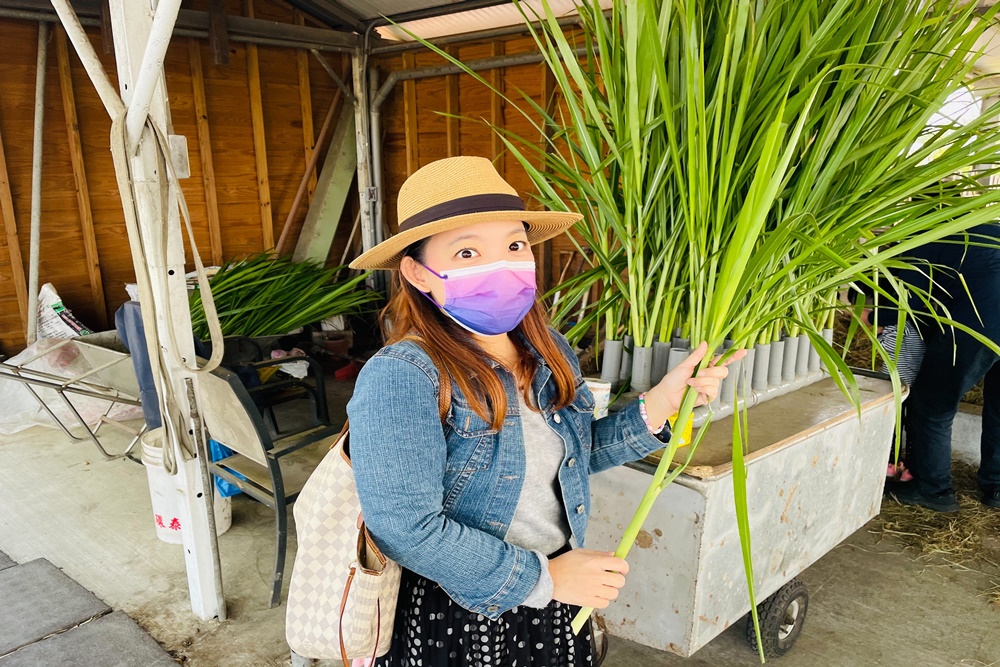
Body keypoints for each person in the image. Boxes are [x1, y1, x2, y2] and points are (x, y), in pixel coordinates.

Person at [345, 156, 741, 666]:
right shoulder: (403, 375)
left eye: (514, 245)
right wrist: (544, 578)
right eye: (467, 251)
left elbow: (573, 456)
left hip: (554, 599)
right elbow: (404, 528)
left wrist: (658, 404)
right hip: (467, 611)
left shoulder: (546, 349)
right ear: (418, 273)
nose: (502, 265)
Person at [866, 222, 1000, 513]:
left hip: (984, 318)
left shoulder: (915, 245)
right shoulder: (977, 230)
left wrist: (873, 314)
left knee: (932, 404)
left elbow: (886, 316)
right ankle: (996, 485)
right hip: (988, 306)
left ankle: (932, 488)